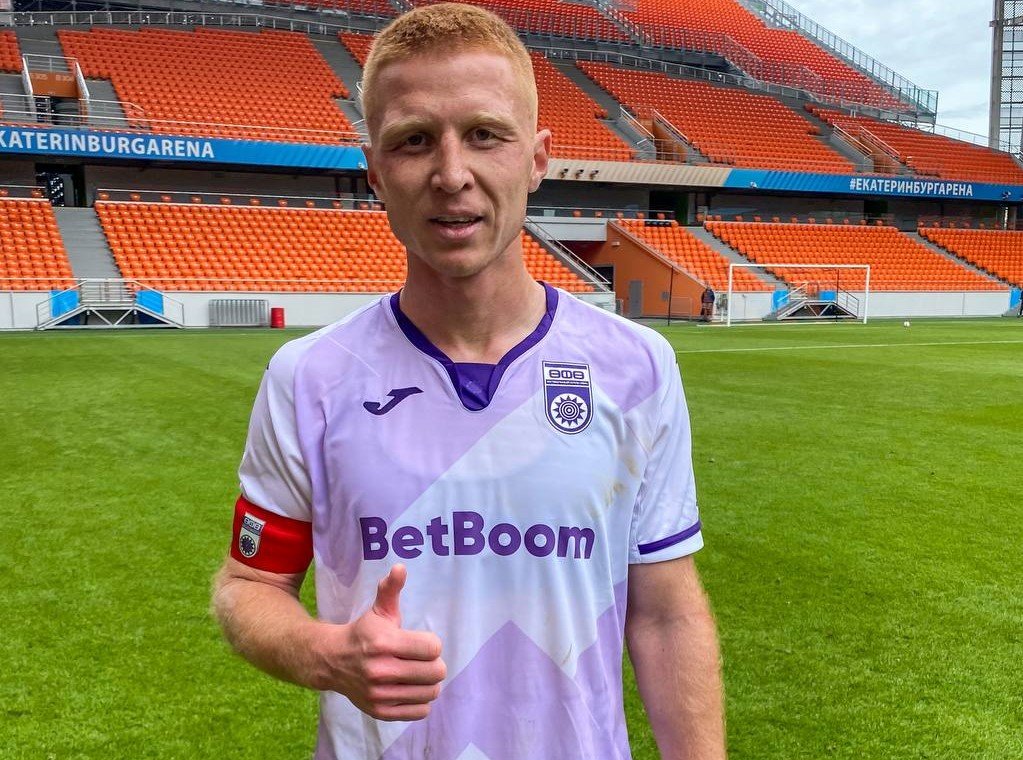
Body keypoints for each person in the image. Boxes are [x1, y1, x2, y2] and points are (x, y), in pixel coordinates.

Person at [212, 5, 725, 758]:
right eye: (415, 140)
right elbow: (250, 586)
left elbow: (665, 613)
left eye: (485, 135)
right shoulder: (310, 377)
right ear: (375, 170)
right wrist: (327, 655)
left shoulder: (637, 367)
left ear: (537, 158)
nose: (452, 174)